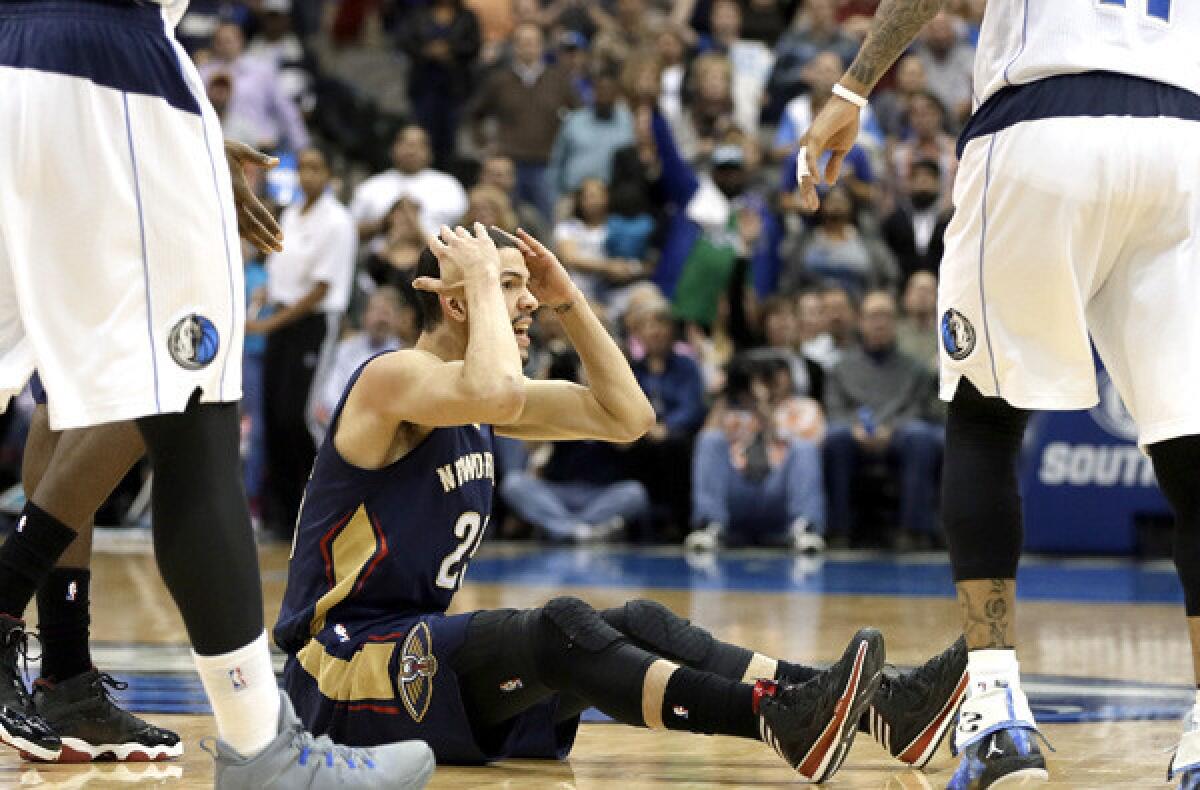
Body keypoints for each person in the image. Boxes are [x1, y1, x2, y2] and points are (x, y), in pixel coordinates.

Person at [274, 223, 968, 781]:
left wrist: (569, 300)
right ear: (457, 304)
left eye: (524, 288)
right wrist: (487, 277)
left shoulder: (477, 395)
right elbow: (498, 391)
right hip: (338, 670)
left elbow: (627, 415)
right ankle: (775, 719)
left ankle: (883, 708)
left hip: (406, 657)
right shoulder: (394, 379)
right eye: (508, 287)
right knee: (559, 627)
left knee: (641, 620)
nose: (526, 302)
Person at [0, 2, 433, 786]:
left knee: (71, 386)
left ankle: (62, 671)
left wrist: (183, 141)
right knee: (189, 403)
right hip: (106, 62)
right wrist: (168, 137)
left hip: (28, 55)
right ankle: (262, 750)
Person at [799, 0, 1200, 787]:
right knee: (1192, 451)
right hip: (1185, 142)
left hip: (1046, 122)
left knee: (984, 418)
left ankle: (996, 713)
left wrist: (851, 90)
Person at [249, 147, 357, 539]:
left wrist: (269, 324)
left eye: (316, 168)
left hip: (315, 321)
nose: (307, 175)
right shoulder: (291, 215)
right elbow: (280, 272)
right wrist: (265, 299)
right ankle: (283, 514)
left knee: (302, 416)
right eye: (303, 168)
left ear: (330, 175)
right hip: (281, 320)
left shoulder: (338, 221)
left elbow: (322, 287)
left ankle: (326, 505)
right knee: (274, 417)